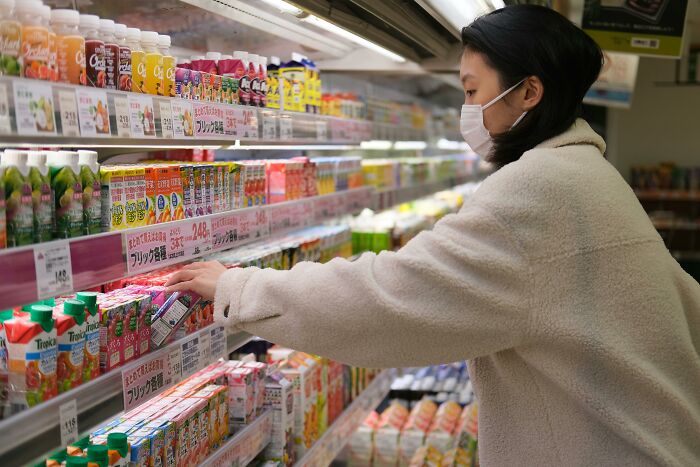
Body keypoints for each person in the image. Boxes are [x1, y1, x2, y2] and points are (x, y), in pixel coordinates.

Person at [166, 5, 700, 466]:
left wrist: (243, 288)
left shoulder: (540, 189)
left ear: (529, 92)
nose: (466, 110)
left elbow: (389, 300)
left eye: (473, 91)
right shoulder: (587, 175)